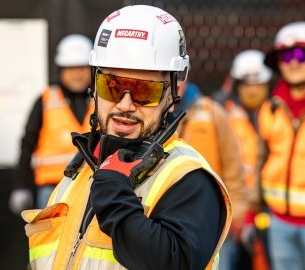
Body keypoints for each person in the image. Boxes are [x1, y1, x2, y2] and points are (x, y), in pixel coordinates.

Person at [22, 5, 232, 269]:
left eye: (144, 91)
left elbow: (175, 261)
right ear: (94, 88)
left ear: (173, 94)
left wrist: (116, 199)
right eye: (112, 86)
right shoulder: (80, 169)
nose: (125, 104)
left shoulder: (188, 178)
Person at [9, 34, 94, 212]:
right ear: (61, 70)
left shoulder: (102, 100)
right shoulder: (45, 100)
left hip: (92, 187)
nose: (77, 74)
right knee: (50, 239)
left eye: (82, 68)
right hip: (52, 189)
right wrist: (21, 186)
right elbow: (27, 144)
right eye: (71, 68)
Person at [174, 79, 248, 269]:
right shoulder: (150, 115)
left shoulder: (213, 113)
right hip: (168, 220)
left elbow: (233, 166)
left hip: (212, 221)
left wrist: (237, 214)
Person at [223, 49, 274, 270]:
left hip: (269, 210)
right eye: (247, 85)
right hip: (231, 213)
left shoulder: (277, 115)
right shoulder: (223, 115)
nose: (252, 91)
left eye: (258, 85)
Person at [262, 21, 305, 270]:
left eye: (301, 53)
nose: (294, 62)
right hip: (278, 220)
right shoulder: (270, 109)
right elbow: (261, 159)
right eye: (286, 56)